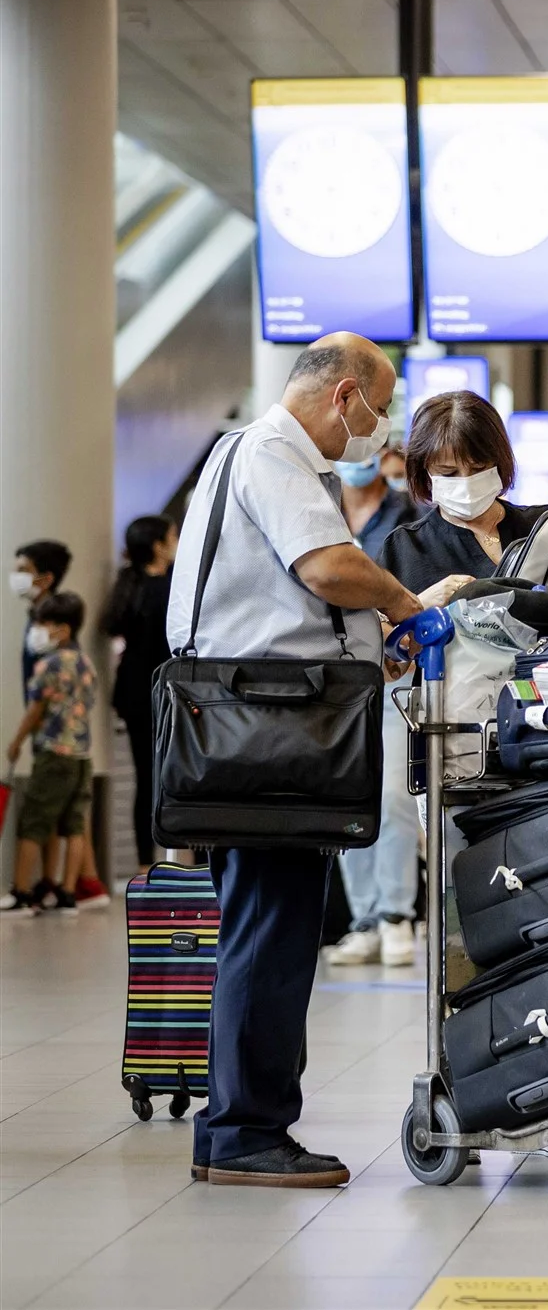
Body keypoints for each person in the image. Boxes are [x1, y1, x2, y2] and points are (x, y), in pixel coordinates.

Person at [170, 332, 428, 1188]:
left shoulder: (253, 454)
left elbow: (284, 597)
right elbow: (323, 565)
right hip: (267, 734)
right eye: (379, 405)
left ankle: (234, 1126)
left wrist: (369, 645)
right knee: (271, 932)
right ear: (343, 394)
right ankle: (245, 1129)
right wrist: (404, 603)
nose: (379, 426)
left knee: (267, 928)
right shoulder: (272, 450)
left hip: (261, 723)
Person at [323, 444, 422, 967]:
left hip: (396, 666)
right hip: (337, 671)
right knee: (347, 796)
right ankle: (364, 919)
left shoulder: (407, 515)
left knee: (394, 796)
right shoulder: (321, 505)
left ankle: (396, 914)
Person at [380, 390, 548, 597]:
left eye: (478, 469)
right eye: (448, 473)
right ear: (424, 472)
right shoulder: (405, 549)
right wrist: (419, 607)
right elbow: (382, 637)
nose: (466, 481)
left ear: (499, 462)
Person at [3, 593, 105, 913]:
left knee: (33, 821)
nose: (38, 630)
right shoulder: (86, 664)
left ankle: (20, 892)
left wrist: (17, 740)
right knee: (74, 825)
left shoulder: (49, 664)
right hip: (81, 755)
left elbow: (37, 709)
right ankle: (67, 891)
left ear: (62, 629)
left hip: (53, 753)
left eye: (43, 624)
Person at [103, 516, 178, 873]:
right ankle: (182, 862)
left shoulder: (127, 587)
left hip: (133, 693)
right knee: (175, 777)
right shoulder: (171, 587)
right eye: (173, 536)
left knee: (143, 778)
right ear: (158, 546)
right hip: (169, 692)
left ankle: (144, 866)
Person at [13, 539, 71, 700]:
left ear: (46, 579)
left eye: (23, 571)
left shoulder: (54, 622)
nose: (16, 577)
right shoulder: (34, 616)